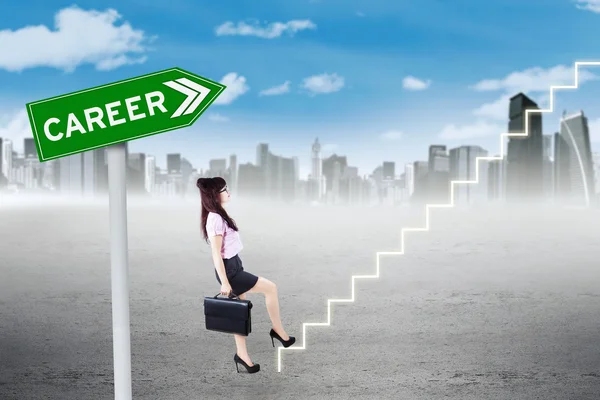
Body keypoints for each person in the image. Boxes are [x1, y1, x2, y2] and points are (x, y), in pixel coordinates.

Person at [197, 177, 296, 374]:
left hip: (234, 265)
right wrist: (225, 282)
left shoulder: (218, 214)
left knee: (239, 313)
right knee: (271, 288)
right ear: (215, 195)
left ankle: (242, 356)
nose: (228, 192)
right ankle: (279, 332)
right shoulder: (215, 218)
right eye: (225, 190)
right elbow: (216, 254)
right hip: (230, 271)